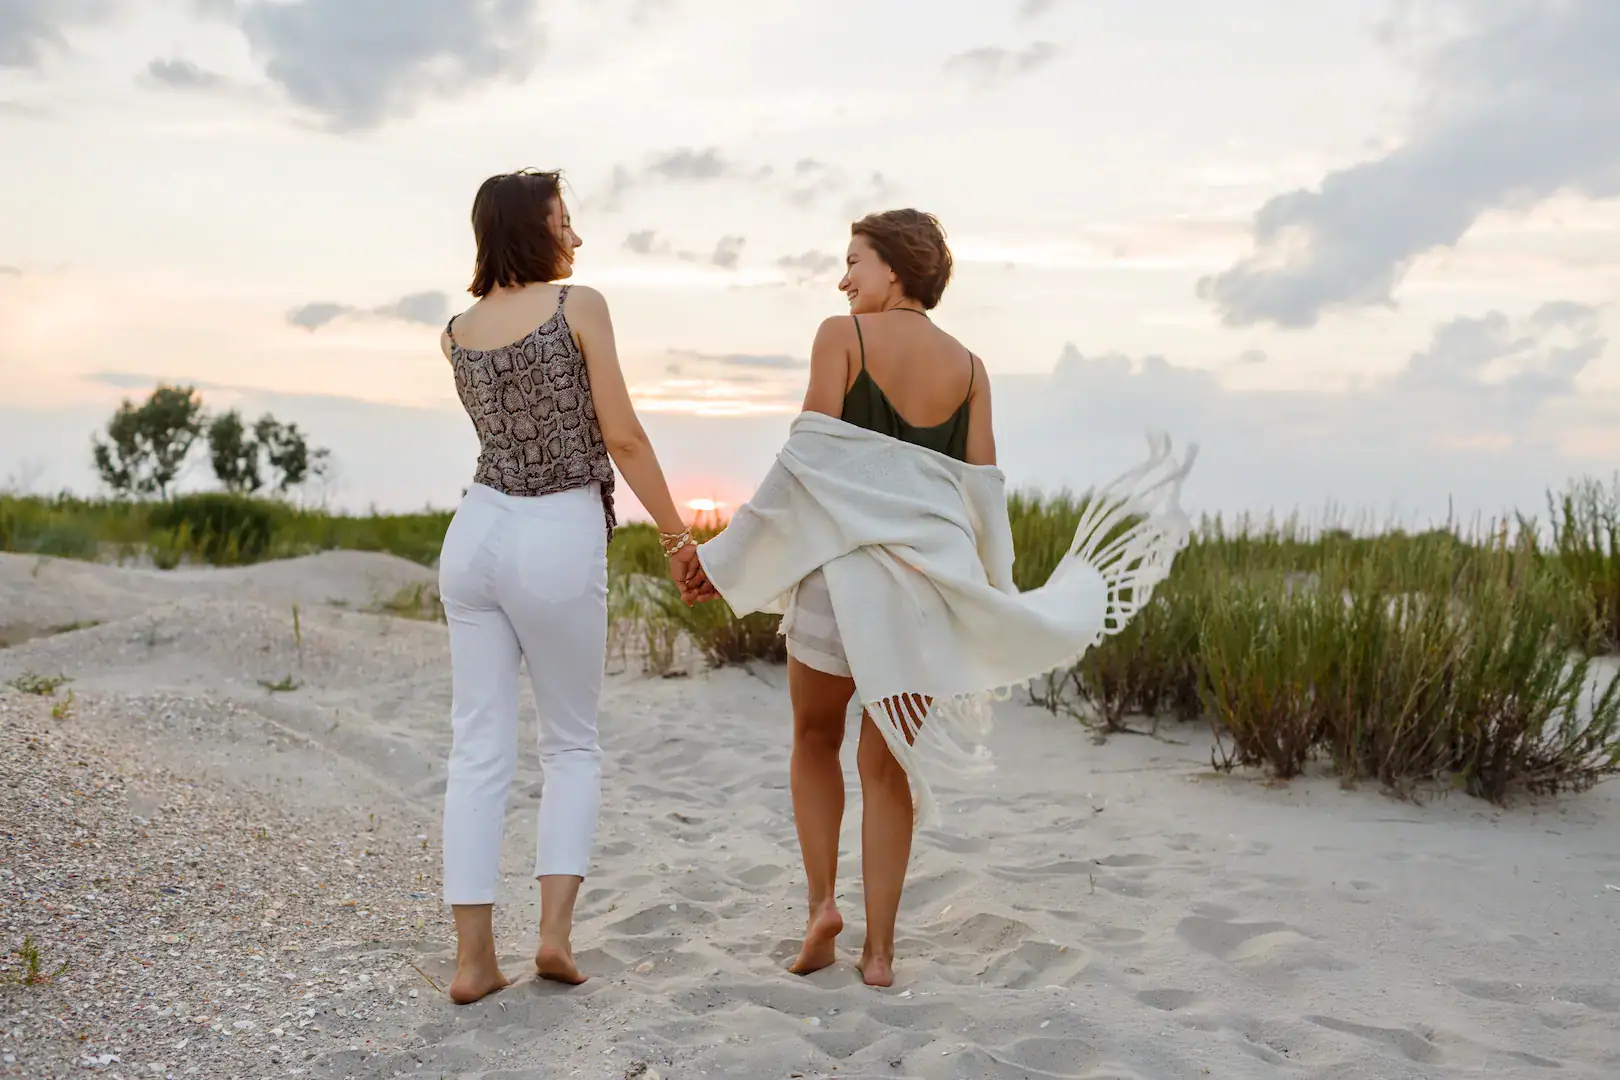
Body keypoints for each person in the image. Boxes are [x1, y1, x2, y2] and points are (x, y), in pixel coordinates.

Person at [437, 168, 706, 1004]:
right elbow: (621, 436)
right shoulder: (576, 306)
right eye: (563, 222)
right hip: (555, 531)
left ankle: (474, 962)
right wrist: (676, 534)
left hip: (475, 531)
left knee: (478, 747)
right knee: (571, 744)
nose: (576, 237)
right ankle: (553, 938)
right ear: (531, 229)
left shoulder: (454, 333)